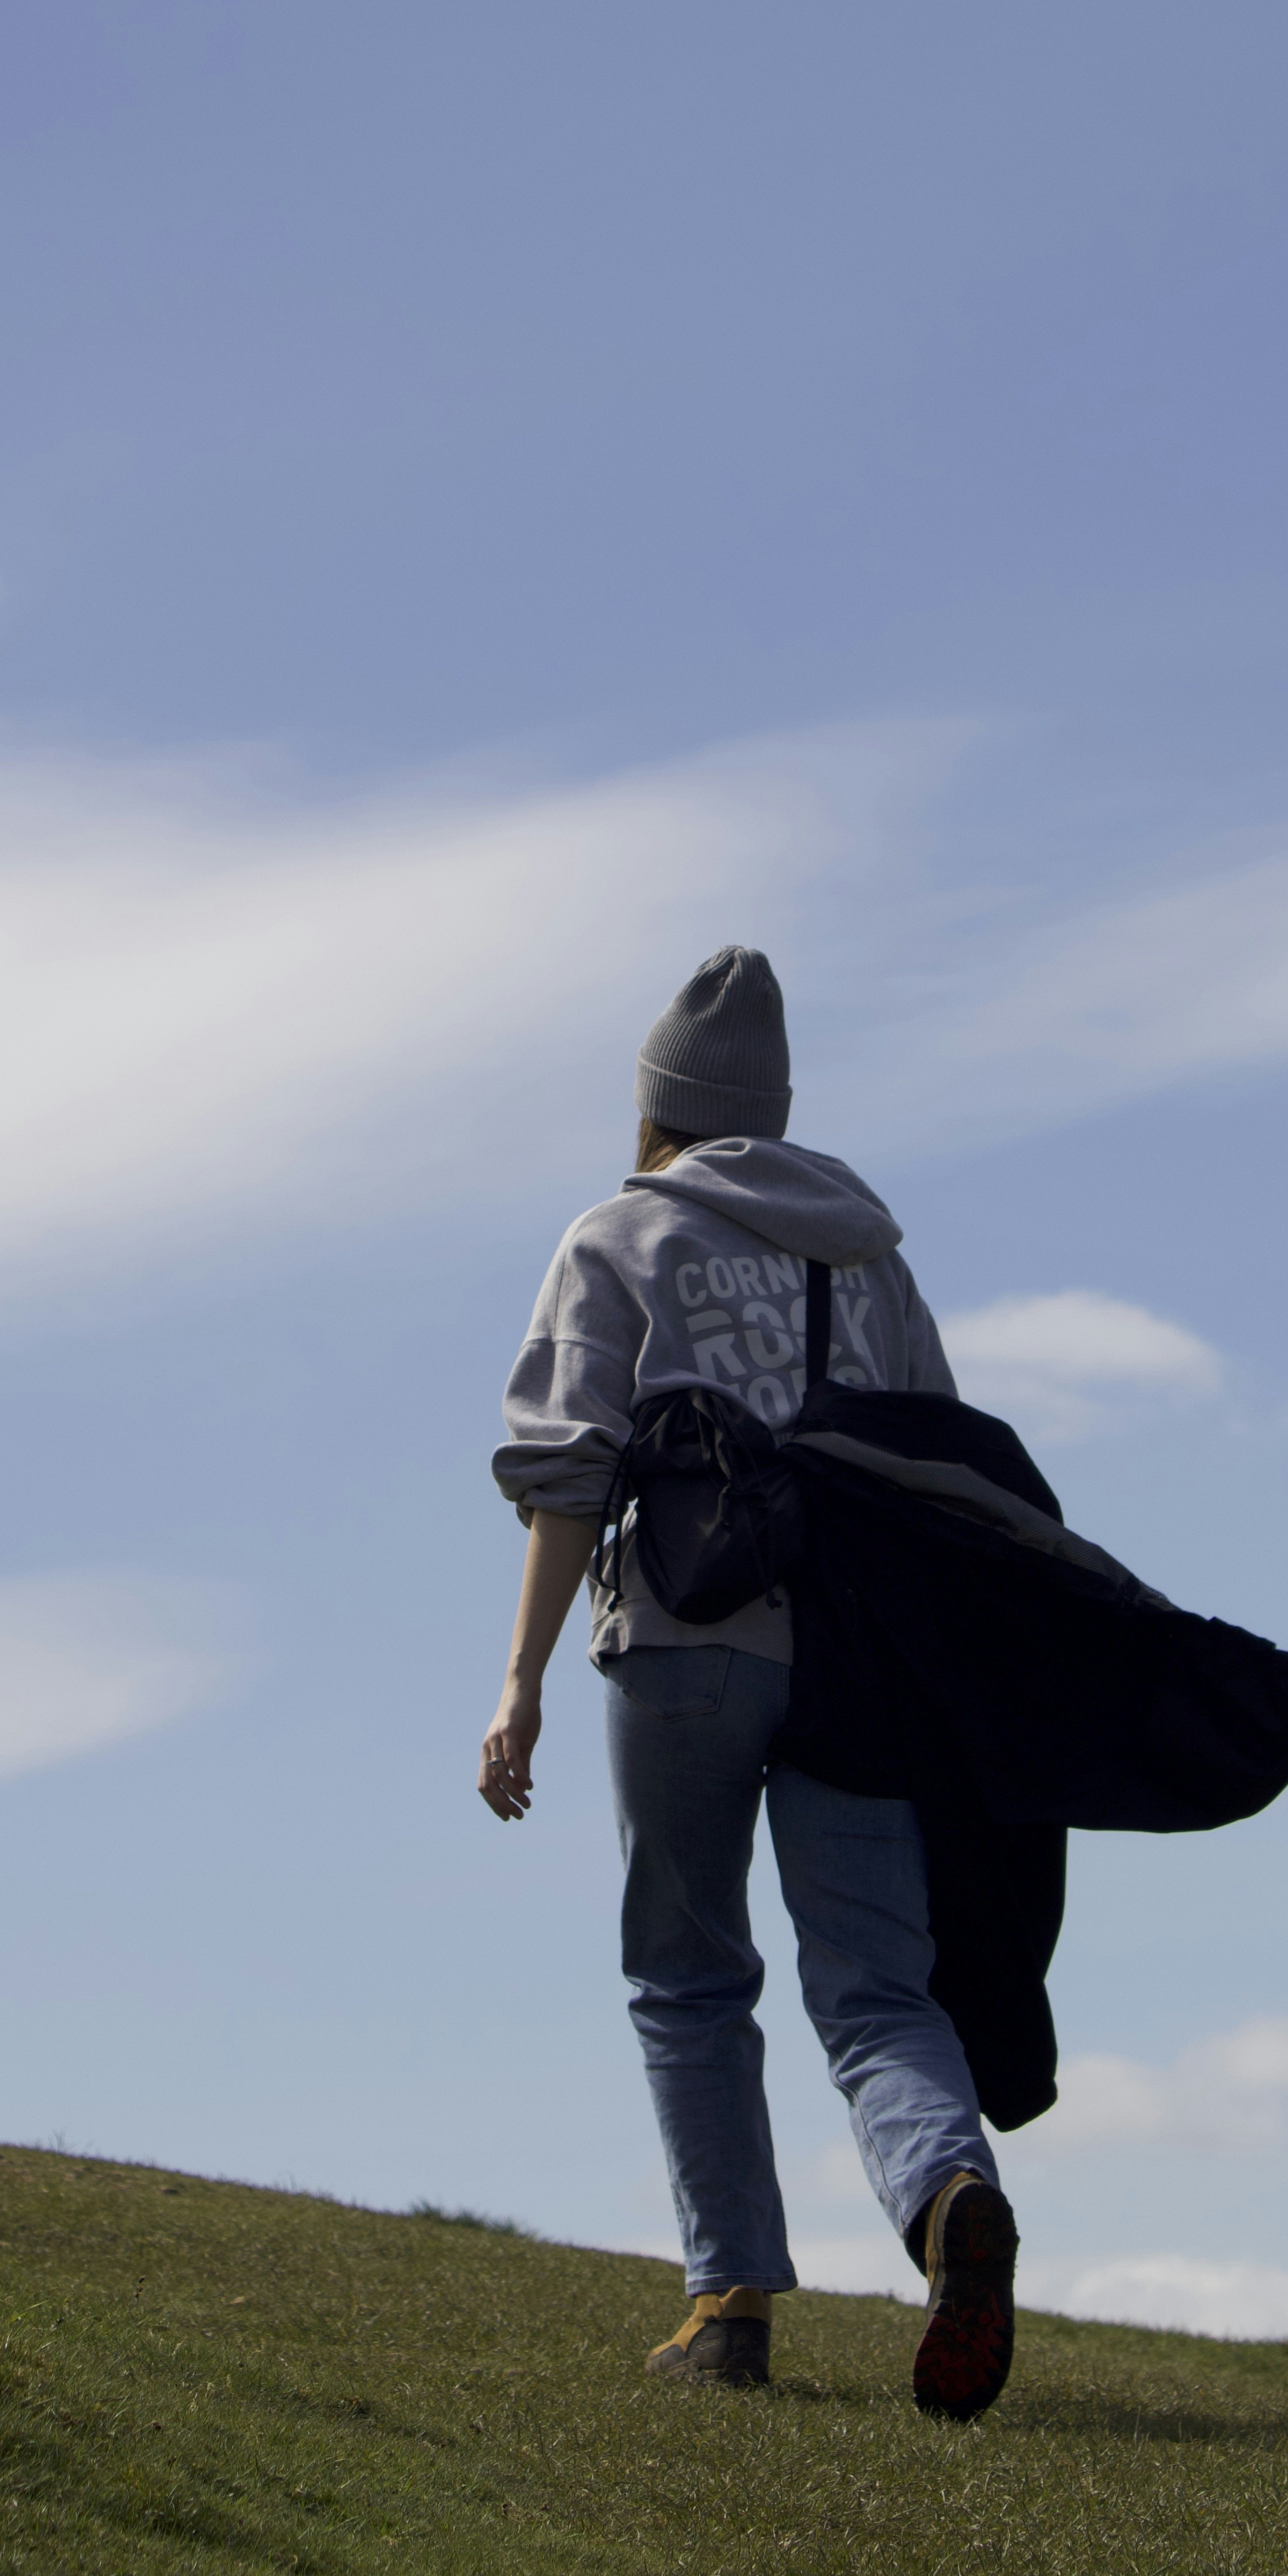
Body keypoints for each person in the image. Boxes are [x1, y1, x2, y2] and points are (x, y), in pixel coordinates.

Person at [481, 946, 1021, 2416]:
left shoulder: (618, 1236)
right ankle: (947, 2194)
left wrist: (521, 1682)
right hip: (857, 1663)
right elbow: (941, 1466)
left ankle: (727, 2310)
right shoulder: (868, 1257)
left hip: (685, 1644)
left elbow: (566, 1472)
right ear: (772, 1107)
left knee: (687, 1972)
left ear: (655, 1104)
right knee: (876, 1985)